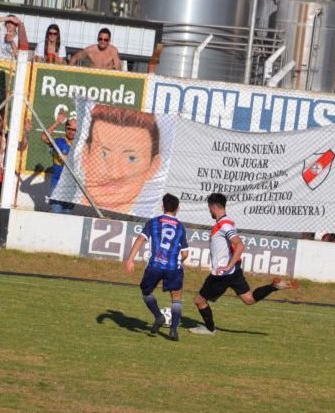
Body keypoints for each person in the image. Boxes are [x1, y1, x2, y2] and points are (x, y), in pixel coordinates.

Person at [189, 193, 298, 336]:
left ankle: (210, 329)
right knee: (249, 299)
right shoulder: (225, 223)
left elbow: (239, 245)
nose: (209, 211)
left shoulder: (224, 225)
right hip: (233, 272)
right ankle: (273, 287)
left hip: (222, 274)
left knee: (199, 300)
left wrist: (228, 265)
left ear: (213, 207)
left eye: (209, 208)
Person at [124, 193, 189, 341]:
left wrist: (130, 259)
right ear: (177, 209)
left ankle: (158, 316)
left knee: (146, 292)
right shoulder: (180, 227)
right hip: (174, 268)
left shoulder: (153, 222)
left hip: (155, 266)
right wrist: (177, 261)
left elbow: (141, 239)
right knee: (176, 298)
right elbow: (185, 253)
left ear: (162, 207)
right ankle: (173, 331)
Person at [80, 104, 162, 215]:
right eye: (103, 154)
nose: (114, 174)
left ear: (153, 167)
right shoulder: (66, 209)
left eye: (131, 158)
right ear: (85, 155)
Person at [40, 109, 77, 214]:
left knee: (67, 216)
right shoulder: (59, 141)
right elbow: (44, 137)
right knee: (56, 215)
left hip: (72, 188)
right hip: (57, 186)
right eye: (69, 128)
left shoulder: (80, 146)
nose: (71, 131)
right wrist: (57, 123)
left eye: (74, 130)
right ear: (65, 128)